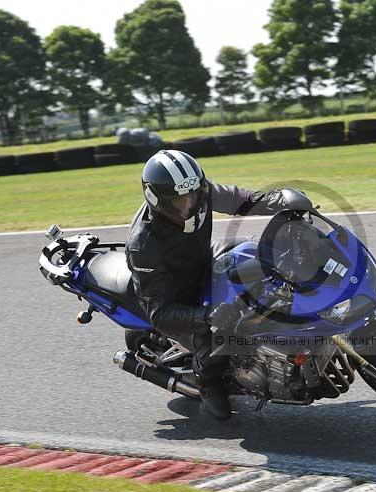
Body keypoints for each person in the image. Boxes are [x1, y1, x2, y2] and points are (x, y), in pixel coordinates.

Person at [125, 149, 310, 420]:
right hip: (178, 291)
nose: (191, 203)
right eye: (181, 201)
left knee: (257, 254)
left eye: (195, 195)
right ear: (159, 200)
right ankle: (207, 381)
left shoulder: (198, 192)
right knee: (221, 335)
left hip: (202, 256)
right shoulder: (144, 246)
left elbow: (238, 199)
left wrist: (277, 201)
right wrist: (207, 316)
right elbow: (161, 314)